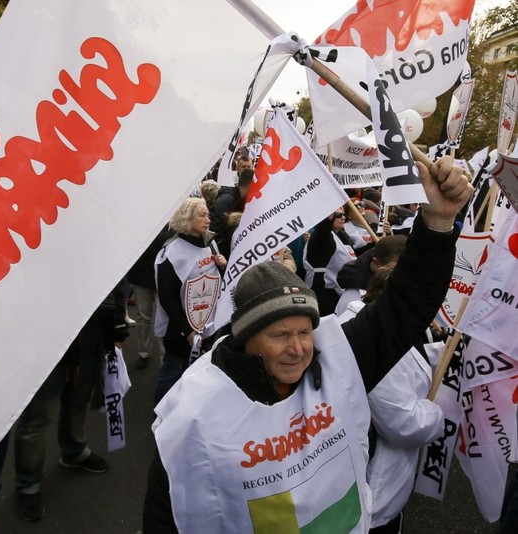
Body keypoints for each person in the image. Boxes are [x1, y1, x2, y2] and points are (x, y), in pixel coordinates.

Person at [142, 156, 472, 533]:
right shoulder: (194, 413)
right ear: (247, 336)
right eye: (280, 335)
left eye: (304, 332)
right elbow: (167, 514)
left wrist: (438, 223)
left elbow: (407, 303)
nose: (298, 349)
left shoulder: (336, 360)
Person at [338, 265, 444, 533]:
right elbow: (403, 423)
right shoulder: (374, 341)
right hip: (375, 484)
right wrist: (437, 411)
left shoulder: (389, 325)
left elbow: (414, 364)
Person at [14, 286, 126, 522]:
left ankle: (74, 451)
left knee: (77, 403)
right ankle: (28, 485)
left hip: (90, 339)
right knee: (36, 418)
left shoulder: (99, 250)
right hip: (46, 345)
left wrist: (117, 329)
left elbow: (117, 280)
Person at [153, 197, 227, 405]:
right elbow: (168, 298)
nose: (208, 220)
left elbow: (217, 282)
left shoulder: (210, 243)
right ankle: (160, 415)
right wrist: (188, 330)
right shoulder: (171, 253)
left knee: (198, 373)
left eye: (208, 215)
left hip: (207, 325)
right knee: (173, 372)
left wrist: (223, 267)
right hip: (180, 331)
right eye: (202, 215)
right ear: (187, 218)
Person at [127, 225, 171, 370]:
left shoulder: (172, 220)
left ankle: (162, 357)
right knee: (144, 317)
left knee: (160, 317)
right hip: (142, 274)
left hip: (161, 276)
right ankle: (144, 353)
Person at [303, 206, 357, 315]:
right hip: (322, 289)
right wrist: (329, 212)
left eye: (343, 215)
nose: (343, 217)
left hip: (339, 287)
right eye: (338, 215)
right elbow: (323, 229)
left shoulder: (343, 236)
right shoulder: (320, 236)